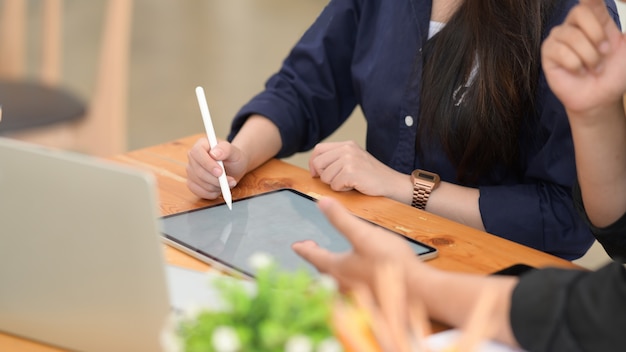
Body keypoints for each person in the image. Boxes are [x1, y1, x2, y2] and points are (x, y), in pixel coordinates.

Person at [293, 0, 626, 350]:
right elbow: (617, 230)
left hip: (495, 281)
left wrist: (404, 197)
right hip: (397, 255)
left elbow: (574, 237)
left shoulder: (560, 13)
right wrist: (596, 114)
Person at [187, 0, 621, 260]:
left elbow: (565, 218)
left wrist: (401, 187)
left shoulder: (569, 12)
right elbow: (303, 88)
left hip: (497, 284)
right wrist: (238, 155)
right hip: (381, 254)